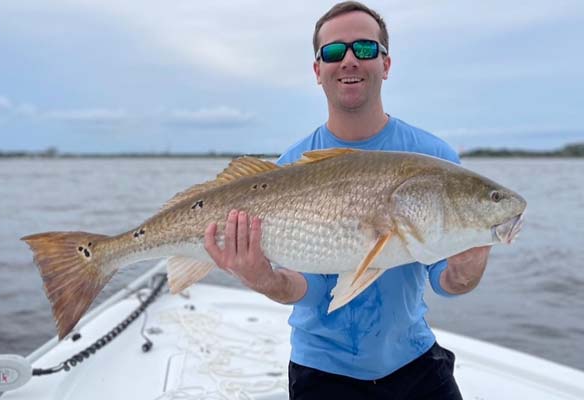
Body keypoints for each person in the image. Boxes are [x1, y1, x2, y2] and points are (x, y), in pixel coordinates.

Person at [204, 2, 491, 399]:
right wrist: (264, 278)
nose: (350, 60)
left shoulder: (434, 157)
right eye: (335, 52)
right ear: (317, 70)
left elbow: (447, 281)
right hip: (320, 369)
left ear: (386, 64)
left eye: (366, 49)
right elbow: (311, 288)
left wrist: (471, 258)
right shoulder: (292, 165)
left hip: (413, 360)